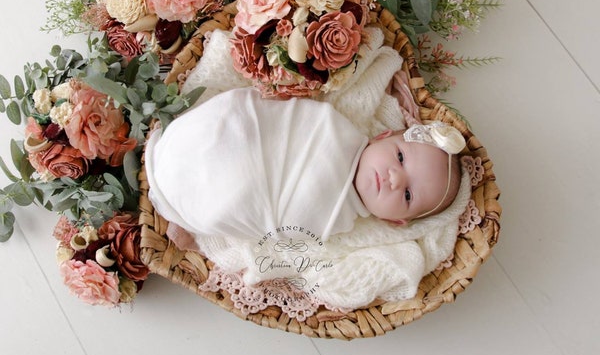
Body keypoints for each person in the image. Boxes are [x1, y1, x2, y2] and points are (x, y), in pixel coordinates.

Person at [145, 87, 465, 245]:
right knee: (236, 120)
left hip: (237, 196)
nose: (395, 178)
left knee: (234, 199)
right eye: (399, 157)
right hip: (231, 140)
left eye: (408, 195)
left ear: (395, 221)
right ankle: (182, 181)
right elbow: (287, 116)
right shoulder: (332, 126)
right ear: (381, 136)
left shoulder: (336, 224)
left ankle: (189, 216)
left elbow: (283, 237)